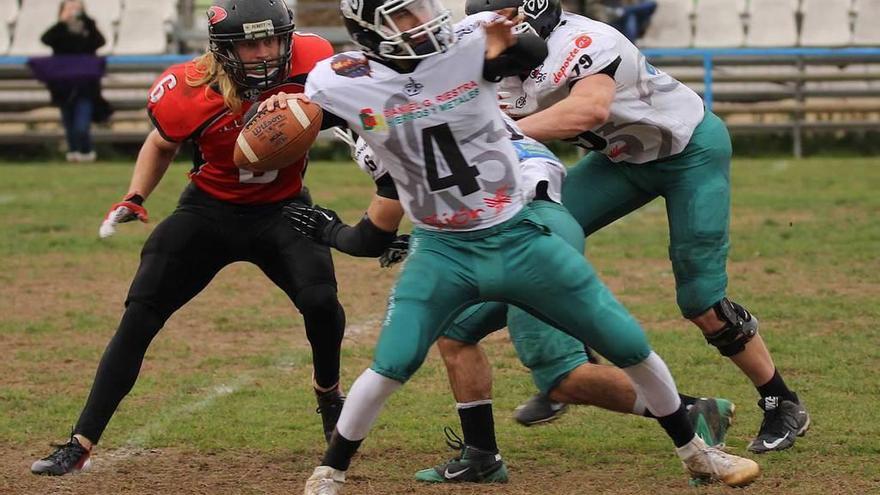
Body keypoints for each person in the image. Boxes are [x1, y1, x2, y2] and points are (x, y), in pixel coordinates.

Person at [258, 2, 759, 492]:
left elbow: (527, 49)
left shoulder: (464, 46)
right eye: (403, 14)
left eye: (420, 8)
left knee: (627, 342)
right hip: (442, 248)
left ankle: (698, 454)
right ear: (369, 28)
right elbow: (310, 107)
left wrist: (508, 42)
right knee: (391, 364)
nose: (422, 20)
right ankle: (329, 474)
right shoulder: (340, 79)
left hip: (518, 231)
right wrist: (277, 110)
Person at [465, 0, 810, 454]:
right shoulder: (490, 47)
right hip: (620, 158)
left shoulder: (585, 40)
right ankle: (566, 367)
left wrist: (502, 133)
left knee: (700, 300)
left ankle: (781, 400)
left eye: (503, 20)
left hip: (688, 152)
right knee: (533, 235)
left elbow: (587, 111)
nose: (495, 33)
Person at [30, 0, 346, 476]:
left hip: (283, 208)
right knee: (141, 312)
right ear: (223, 49)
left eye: (272, 40)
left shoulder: (312, 59)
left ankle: (328, 392)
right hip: (210, 210)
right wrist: (135, 194)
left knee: (322, 303)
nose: (264, 52)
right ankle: (80, 440)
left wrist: (317, 112)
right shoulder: (188, 89)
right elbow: (161, 142)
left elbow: (358, 108)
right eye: (249, 43)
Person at [325, 119, 737, 485]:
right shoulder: (458, 99)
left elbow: (378, 229)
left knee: (563, 376)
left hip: (529, 234)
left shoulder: (408, 122)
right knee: (456, 332)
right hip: (509, 220)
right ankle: (481, 455)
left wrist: (331, 232)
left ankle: (695, 414)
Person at [39, 0, 110, 163]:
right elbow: (45, 39)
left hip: (85, 86)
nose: (73, 11)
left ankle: (86, 151)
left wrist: (87, 21)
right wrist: (61, 23)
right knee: (68, 122)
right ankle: (73, 152)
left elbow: (100, 42)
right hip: (64, 86)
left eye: (77, 8)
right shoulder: (60, 31)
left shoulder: (87, 29)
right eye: (69, 8)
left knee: (81, 124)